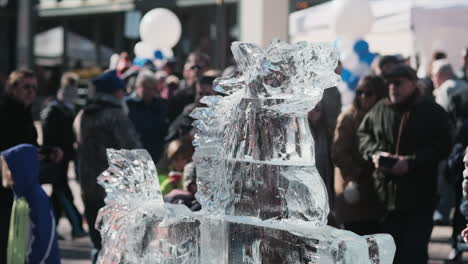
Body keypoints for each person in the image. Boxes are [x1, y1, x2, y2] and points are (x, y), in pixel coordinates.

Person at [357, 65, 451, 263]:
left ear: (413, 84)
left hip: (420, 198)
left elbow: (444, 146)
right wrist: (374, 154)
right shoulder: (380, 108)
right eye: (389, 83)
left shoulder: (432, 111)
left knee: (414, 254)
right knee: (390, 256)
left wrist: (412, 162)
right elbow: (363, 136)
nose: (392, 87)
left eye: (398, 82)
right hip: (386, 200)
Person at [74, 70, 141, 262]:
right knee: (114, 243)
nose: (124, 93)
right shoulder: (115, 114)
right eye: (121, 90)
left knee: (97, 242)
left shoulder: (83, 115)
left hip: (88, 185)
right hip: (113, 188)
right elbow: (132, 149)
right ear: (114, 93)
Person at [0, 69, 61, 263]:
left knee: (19, 246)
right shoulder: (5, 111)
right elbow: (11, 150)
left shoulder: (25, 113)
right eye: (26, 87)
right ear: (12, 88)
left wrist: (48, 153)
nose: (31, 92)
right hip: (5, 190)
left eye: (35, 88)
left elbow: (28, 150)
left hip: (21, 191)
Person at [332, 75, 387, 235]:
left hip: (377, 193)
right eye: (360, 92)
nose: (363, 96)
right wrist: (358, 175)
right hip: (353, 191)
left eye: (369, 93)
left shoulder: (383, 115)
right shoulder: (348, 117)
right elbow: (338, 153)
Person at [41, 72, 86, 239]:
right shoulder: (54, 110)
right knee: (62, 192)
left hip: (65, 157)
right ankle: (75, 226)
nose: (72, 94)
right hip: (55, 158)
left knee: (58, 194)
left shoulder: (70, 109)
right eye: (69, 89)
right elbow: (50, 135)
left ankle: (51, 227)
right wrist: (50, 153)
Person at [1, 144, 60, 264]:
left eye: (10, 169)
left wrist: (31, 259)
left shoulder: (36, 197)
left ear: (22, 168)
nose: (6, 174)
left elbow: (44, 237)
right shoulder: (20, 196)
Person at [126, 70, 169, 163]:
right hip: (133, 155)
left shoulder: (161, 104)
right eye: (145, 87)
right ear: (137, 87)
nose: (149, 91)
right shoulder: (127, 105)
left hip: (155, 155)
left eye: (152, 88)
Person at [168, 52, 210, 121]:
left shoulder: (215, 93)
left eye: (199, 67)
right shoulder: (179, 96)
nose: (196, 71)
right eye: (193, 67)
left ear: (208, 69)